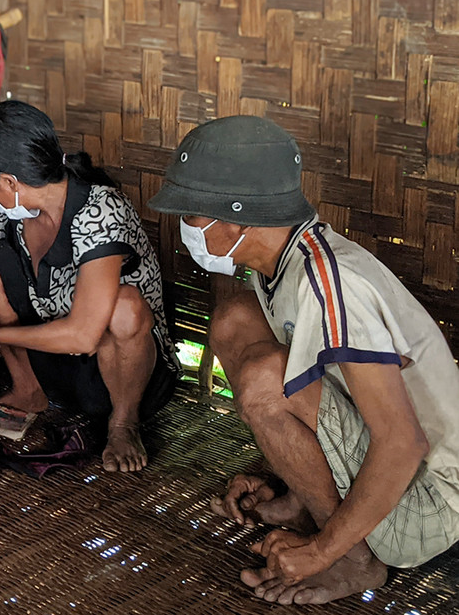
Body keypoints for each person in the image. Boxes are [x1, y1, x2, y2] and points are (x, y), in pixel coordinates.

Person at [148, 115, 459, 605]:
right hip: (393, 479)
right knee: (233, 321)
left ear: (234, 218)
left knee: (265, 378)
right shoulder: (282, 265)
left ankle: (355, 559)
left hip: (427, 508)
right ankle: (307, 502)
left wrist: (319, 551)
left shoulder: (330, 284)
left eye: (189, 215)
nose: (183, 227)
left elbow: (403, 443)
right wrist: (287, 471)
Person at [0, 100, 181, 473]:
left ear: (10, 182)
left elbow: (82, 336)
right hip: (57, 366)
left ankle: (124, 424)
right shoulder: (14, 219)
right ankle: (29, 390)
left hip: (123, 373)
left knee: (125, 307)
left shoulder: (101, 211)